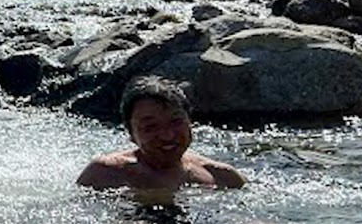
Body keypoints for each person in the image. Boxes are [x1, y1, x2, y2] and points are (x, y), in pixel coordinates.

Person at [76, 76, 245, 194]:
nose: (167, 136)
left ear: (190, 121)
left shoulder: (222, 177)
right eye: (150, 127)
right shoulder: (105, 174)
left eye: (176, 122)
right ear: (131, 133)